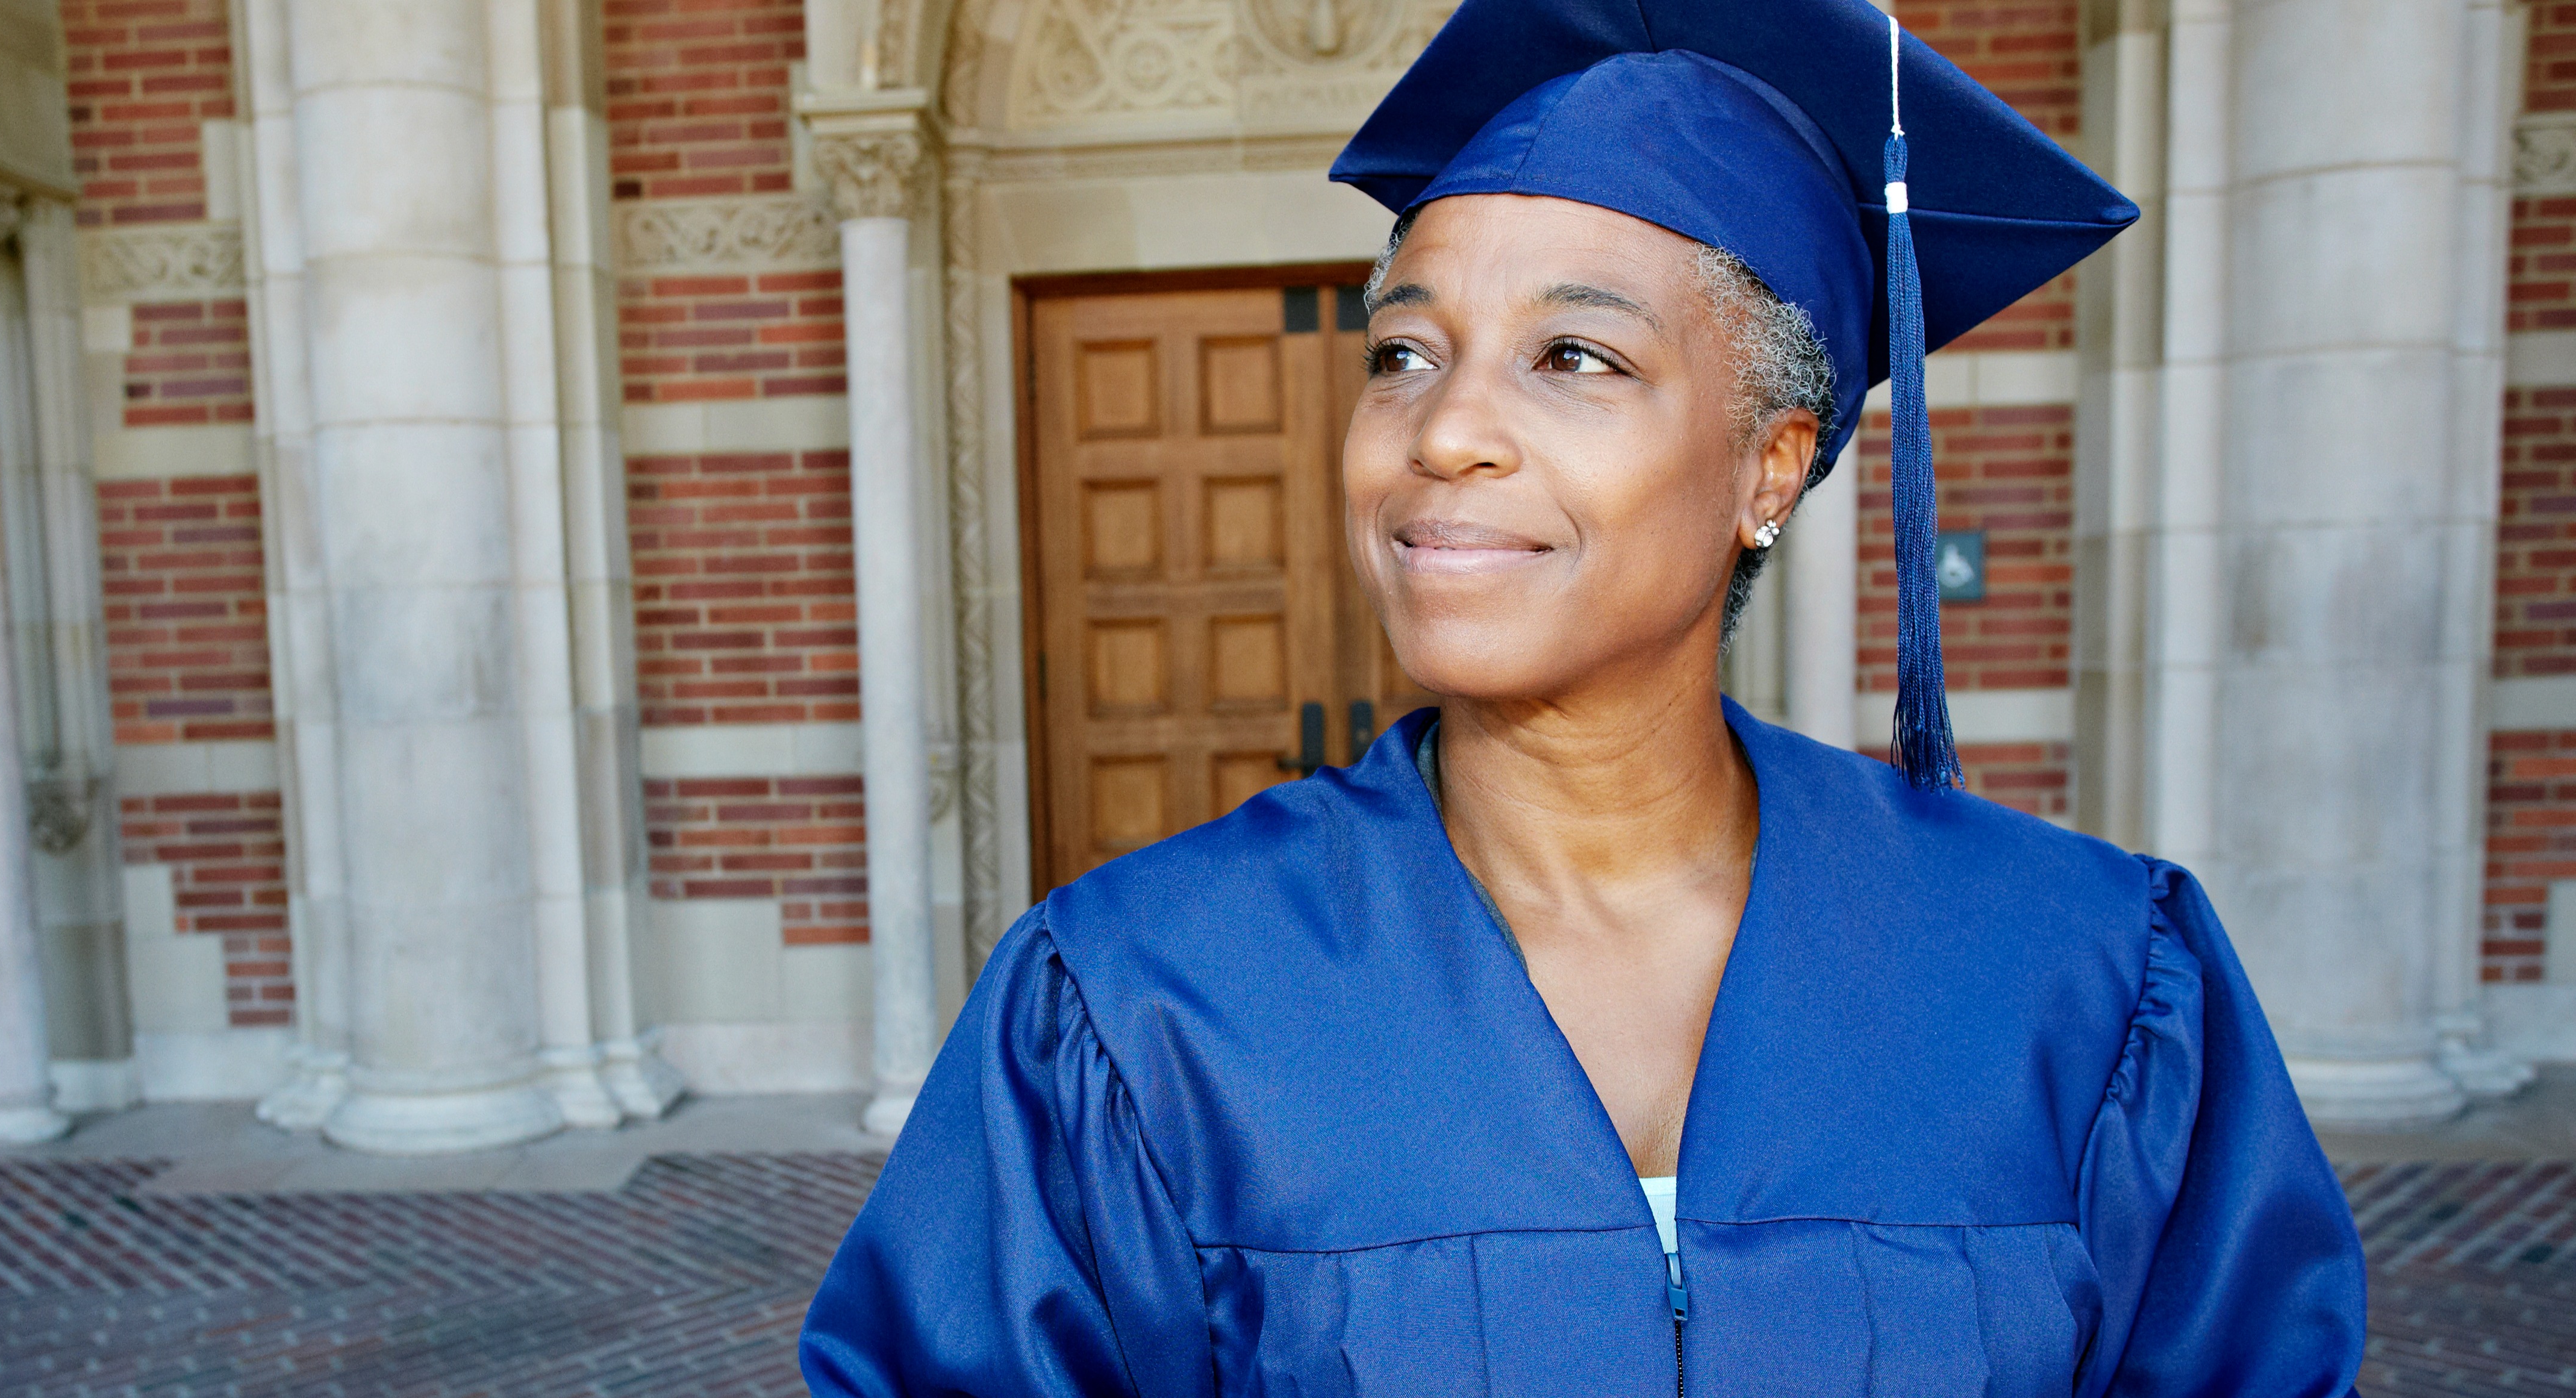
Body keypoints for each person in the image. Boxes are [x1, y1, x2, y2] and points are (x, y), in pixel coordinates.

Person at [798, 0, 2369, 1391]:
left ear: (1773, 463)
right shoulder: (1142, 1000)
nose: (1447, 430)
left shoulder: (2082, 977)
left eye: (1575, 357)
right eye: (1405, 353)